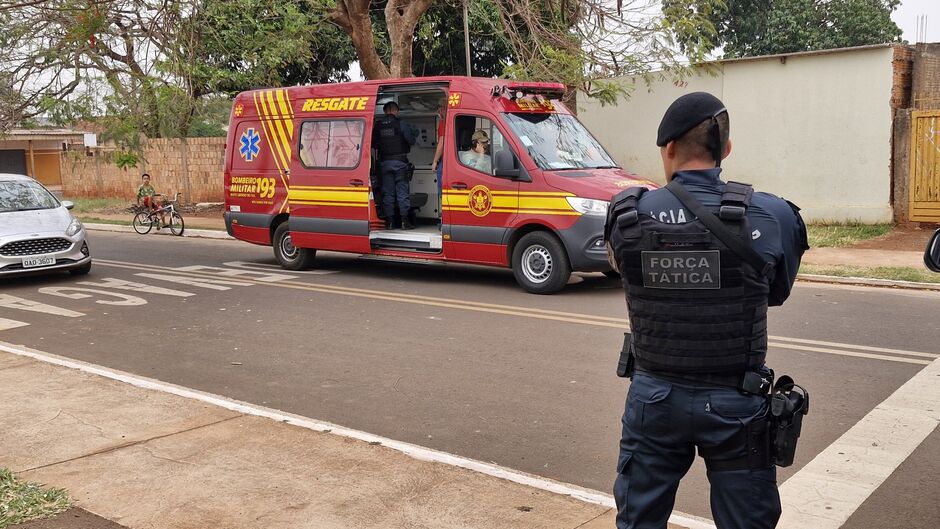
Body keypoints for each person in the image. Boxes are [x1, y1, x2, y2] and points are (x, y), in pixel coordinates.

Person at [605, 92, 808, 529]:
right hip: (736, 402)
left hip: (653, 399)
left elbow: (628, 274)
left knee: (638, 522)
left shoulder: (625, 216)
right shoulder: (772, 216)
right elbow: (775, 292)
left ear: (669, 149)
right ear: (727, 150)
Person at [373, 101, 417, 230]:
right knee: (402, 192)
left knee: (388, 193)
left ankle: (390, 222)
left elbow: (374, 143)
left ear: (385, 111)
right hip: (400, 163)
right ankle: (404, 222)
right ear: (395, 111)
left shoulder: (378, 125)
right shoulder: (401, 124)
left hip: (385, 163)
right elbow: (411, 140)